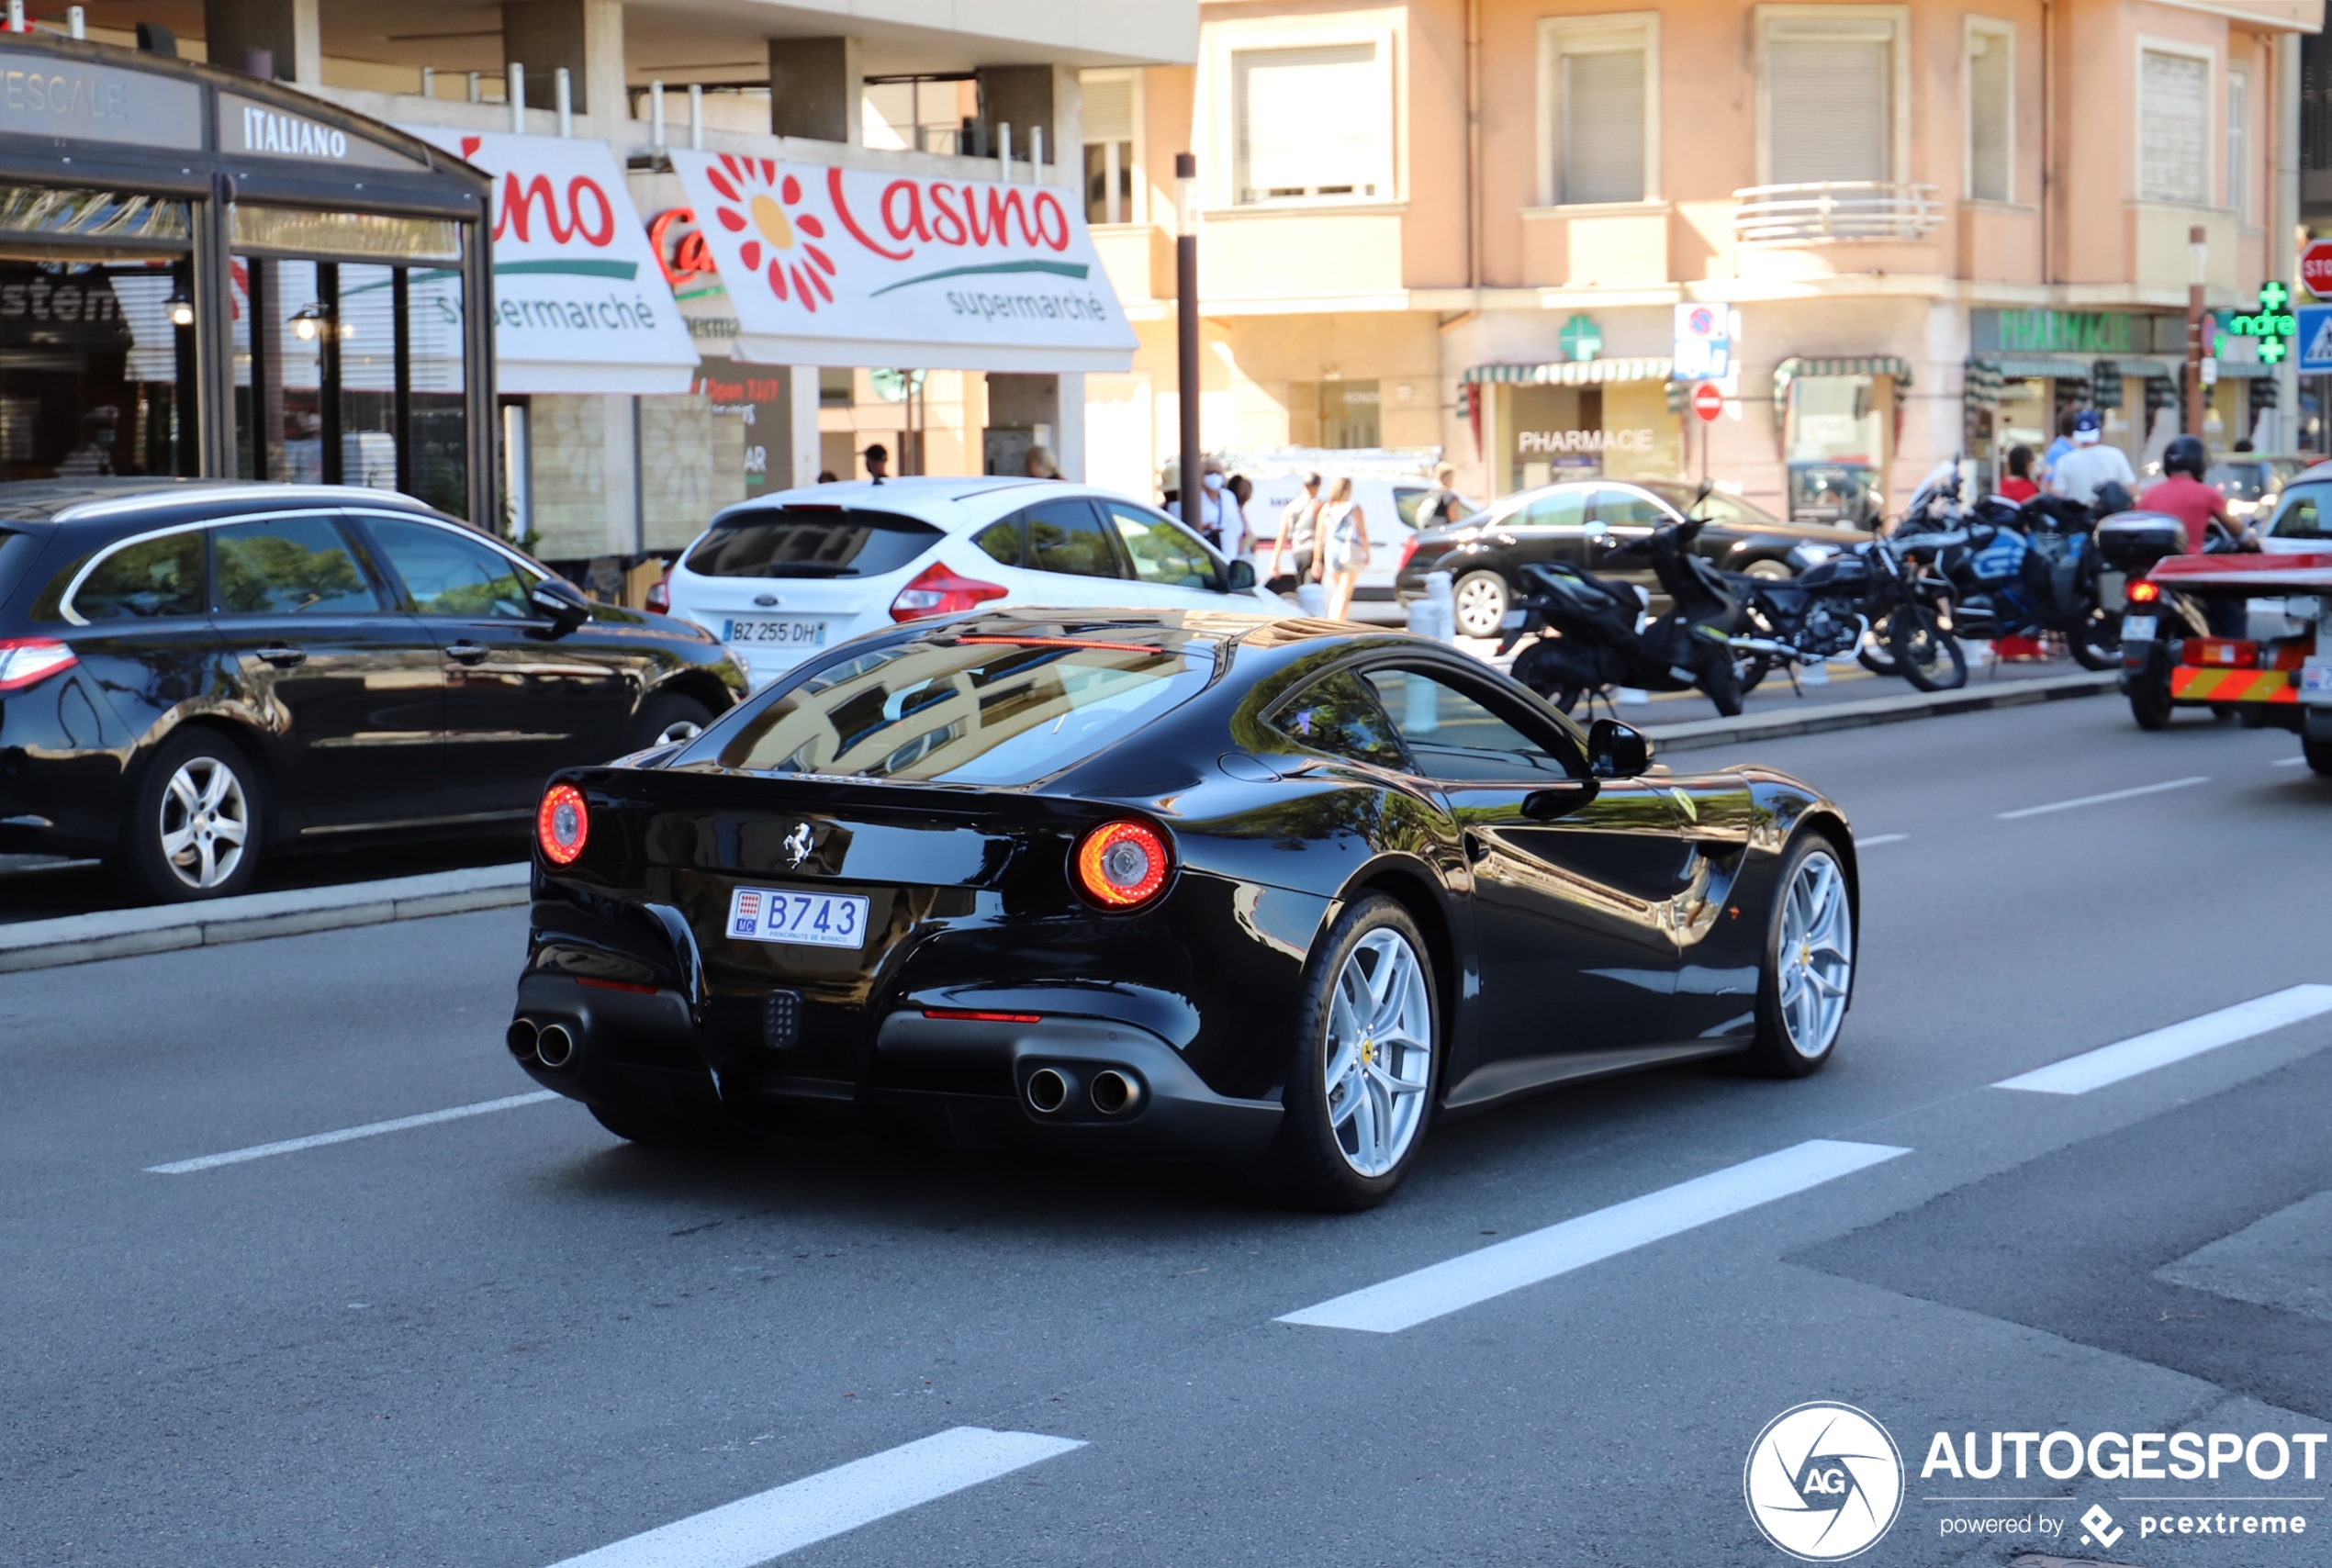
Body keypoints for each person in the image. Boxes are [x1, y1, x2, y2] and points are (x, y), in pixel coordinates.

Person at [2046, 410, 2136, 507]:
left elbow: (2058, 496)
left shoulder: (2064, 462)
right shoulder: (2116, 455)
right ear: (2100, 432)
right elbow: (2132, 490)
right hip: (2108, 518)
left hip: (2078, 518)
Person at [1318, 476, 1370, 619]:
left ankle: (1341, 622)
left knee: (1340, 590)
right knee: (1343, 592)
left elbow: (1319, 536)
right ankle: (1335, 624)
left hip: (1331, 551)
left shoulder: (1326, 508)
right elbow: (1362, 532)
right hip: (1348, 551)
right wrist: (1367, 552)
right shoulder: (1354, 507)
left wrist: (1317, 559)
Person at [1268, 473, 1323, 594]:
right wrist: (1318, 559)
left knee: (1302, 587)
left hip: (1297, 552)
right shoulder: (1318, 505)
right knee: (1313, 591)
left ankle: (1303, 612)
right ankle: (1311, 612)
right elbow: (1319, 535)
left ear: (1302, 485)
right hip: (1312, 550)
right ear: (1318, 486)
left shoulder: (1290, 507)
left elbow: (1282, 535)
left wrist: (1275, 560)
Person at [1167, 457, 1235, 551]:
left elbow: (1238, 527)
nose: (1214, 476)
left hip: (1230, 555)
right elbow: (1180, 530)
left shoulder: (1229, 497)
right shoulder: (1194, 499)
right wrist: (1204, 528)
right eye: (1209, 473)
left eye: (1218, 473)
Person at [1416, 463, 1470, 528]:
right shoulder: (1449, 496)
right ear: (1450, 478)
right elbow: (1455, 520)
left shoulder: (1428, 495)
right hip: (1443, 534)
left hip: (1428, 533)